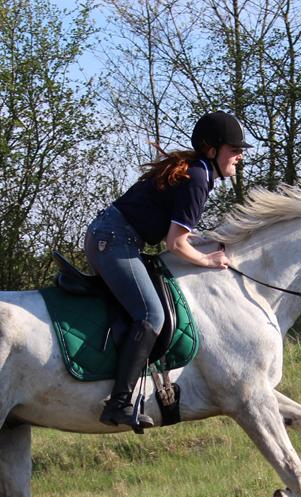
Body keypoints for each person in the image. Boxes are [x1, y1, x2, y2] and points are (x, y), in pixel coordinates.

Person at [84, 111, 250, 431]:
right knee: (152, 316)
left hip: (113, 237)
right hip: (115, 241)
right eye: (234, 149)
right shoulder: (199, 176)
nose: (240, 156)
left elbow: (179, 234)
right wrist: (209, 261)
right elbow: (175, 243)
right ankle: (118, 403)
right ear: (212, 150)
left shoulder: (197, 171)